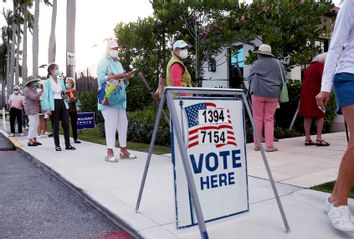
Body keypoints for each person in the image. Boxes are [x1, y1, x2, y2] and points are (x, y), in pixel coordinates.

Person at [316, 0, 354, 232]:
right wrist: (325, 86)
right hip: (348, 75)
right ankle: (340, 202)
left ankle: (332, 200)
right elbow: (337, 43)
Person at [97, 39, 136, 162]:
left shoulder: (118, 63)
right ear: (108, 49)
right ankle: (109, 152)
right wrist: (115, 76)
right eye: (113, 48)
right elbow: (101, 79)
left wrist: (126, 77)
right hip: (108, 99)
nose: (116, 51)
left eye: (117, 48)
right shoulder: (103, 61)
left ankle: (123, 150)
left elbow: (124, 83)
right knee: (111, 125)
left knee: (123, 124)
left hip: (119, 99)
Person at [248, 44, 284, 152]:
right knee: (269, 119)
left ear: (260, 54)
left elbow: (249, 78)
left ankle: (257, 145)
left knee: (257, 119)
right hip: (273, 94)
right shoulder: (278, 64)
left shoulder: (256, 64)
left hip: (258, 92)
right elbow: (283, 78)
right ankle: (269, 145)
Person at [42, 63, 76, 151]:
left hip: (62, 102)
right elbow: (45, 96)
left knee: (66, 124)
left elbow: (64, 92)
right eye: (56, 68)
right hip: (53, 103)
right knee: (55, 125)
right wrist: (47, 108)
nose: (58, 70)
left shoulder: (60, 80)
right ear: (51, 71)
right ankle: (57, 145)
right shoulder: (47, 82)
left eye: (58, 68)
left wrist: (65, 95)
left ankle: (67, 145)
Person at [299, 53, 329, 146]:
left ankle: (307, 139)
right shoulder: (320, 66)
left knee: (307, 116)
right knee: (320, 115)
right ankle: (319, 139)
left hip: (305, 93)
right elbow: (325, 79)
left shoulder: (308, 67)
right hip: (316, 93)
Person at [23, 76, 42, 147]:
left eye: (36, 81)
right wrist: (40, 93)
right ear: (30, 82)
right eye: (34, 81)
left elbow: (36, 98)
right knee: (32, 124)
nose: (35, 83)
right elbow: (33, 97)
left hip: (35, 108)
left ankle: (34, 139)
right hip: (30, 109)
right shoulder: (26, 89)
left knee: (36, 124)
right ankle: (29, 140)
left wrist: (39, 97)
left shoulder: (34, 88)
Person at [65, 77, 81, 144]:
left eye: (68, 82)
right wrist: (70, 99)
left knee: (74, 124)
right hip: (65, 110)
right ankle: (67, 139)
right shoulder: (64, 91)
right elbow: (63, 99)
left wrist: (69, 100)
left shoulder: (75, 91)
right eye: (66, 83)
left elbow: (75, 99)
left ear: (72, 84)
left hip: (73, 110)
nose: (67, 84)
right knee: (65, 125)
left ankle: (75, 139)